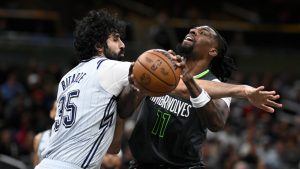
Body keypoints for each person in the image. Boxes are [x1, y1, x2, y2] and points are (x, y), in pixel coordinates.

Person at [126, 26, 282, 169]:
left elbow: (217, 123)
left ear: (213, 51)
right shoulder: (160, 67)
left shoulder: (218, 86)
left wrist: (190, 83)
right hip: (140, 164)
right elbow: (125, 111)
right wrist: (134, 87)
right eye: (193, 29)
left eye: (204, 33)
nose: (194, 31)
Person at [35, 9, 143, 169]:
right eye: (116, 39)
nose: (122, 45)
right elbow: (148, 71)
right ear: (99, 46)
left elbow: (113, 149)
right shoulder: (107, 67)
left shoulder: (67, 78)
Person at [32, 101, 56, 166]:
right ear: (51, 113)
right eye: (57, 109)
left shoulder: (71, 138)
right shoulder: (39, 138)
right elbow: (36, 164)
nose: (60, 112)